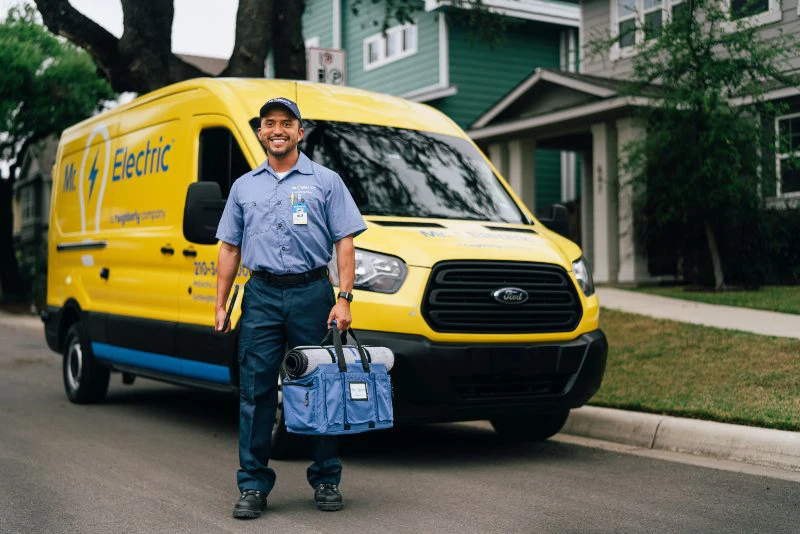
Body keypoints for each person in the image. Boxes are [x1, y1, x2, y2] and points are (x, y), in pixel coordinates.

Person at [214, 97, 366, 519]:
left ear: (300, 132)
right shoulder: (244, 186)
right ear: (260, 132)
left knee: (320, 387)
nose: (277, 129)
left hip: (311, 294)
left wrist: (344, 297)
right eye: (269, 123)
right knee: (256, 391)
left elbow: (345, 241)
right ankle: (253, 485)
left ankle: (326, 478)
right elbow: (229, 248)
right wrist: (221, 303)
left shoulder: (326, 181)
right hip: (260, 295)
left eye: (286, 123)